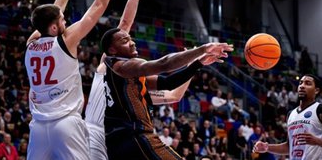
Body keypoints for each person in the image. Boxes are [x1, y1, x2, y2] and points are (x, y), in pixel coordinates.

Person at [84, 0, 196, 159]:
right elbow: (125, 24)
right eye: (126, 41)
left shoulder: (136, 95)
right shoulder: (110, 64)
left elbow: (173, 95)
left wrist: (192, 66)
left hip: (119, 138)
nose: (132, 43)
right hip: (96, 132)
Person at [24, 0, 123, 159]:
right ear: (53, 27)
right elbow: (99, 5)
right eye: (62, 20)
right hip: (66, 124)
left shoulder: (32, 41)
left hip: (39, 127)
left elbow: (55, 10)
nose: (65, 20)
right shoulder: (66, 40)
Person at [100, 24, 233, 159]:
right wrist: (203, 49)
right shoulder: (122, 66)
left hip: (118, 143)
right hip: (134, 136)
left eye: (130, 38)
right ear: (112, 50)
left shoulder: (123, 76)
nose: (132, 43)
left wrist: (197, 64)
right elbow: (164, 64)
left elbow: (168, 83)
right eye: (124, 41)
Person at [253, 74, 322, 159]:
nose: (302, 86)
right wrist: (267, 147)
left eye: (308, 83)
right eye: (300, 83)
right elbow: (289, 147)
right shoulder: (291, 114)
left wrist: (317, 141)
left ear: (316, 90)